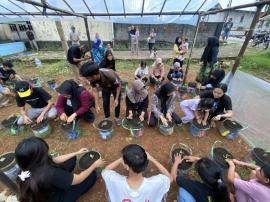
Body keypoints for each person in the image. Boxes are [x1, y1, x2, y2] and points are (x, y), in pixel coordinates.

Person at [15, 137, 104, 202]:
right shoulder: (51, 173)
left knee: (71, 159)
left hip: (48, 187)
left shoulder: (28, 164)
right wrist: (94, 165)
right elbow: (79, 178)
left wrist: (76, 153)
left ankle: (63, 181)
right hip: (56, 198)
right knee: (92, 176)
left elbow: (53, 160)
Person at [102, 144, 172, 202]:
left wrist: (121, 159)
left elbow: (104, 172)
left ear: (126, 166)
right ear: (145, 165)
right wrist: (152, 159)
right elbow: (170, 178)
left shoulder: (116, 181)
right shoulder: (155, 183)